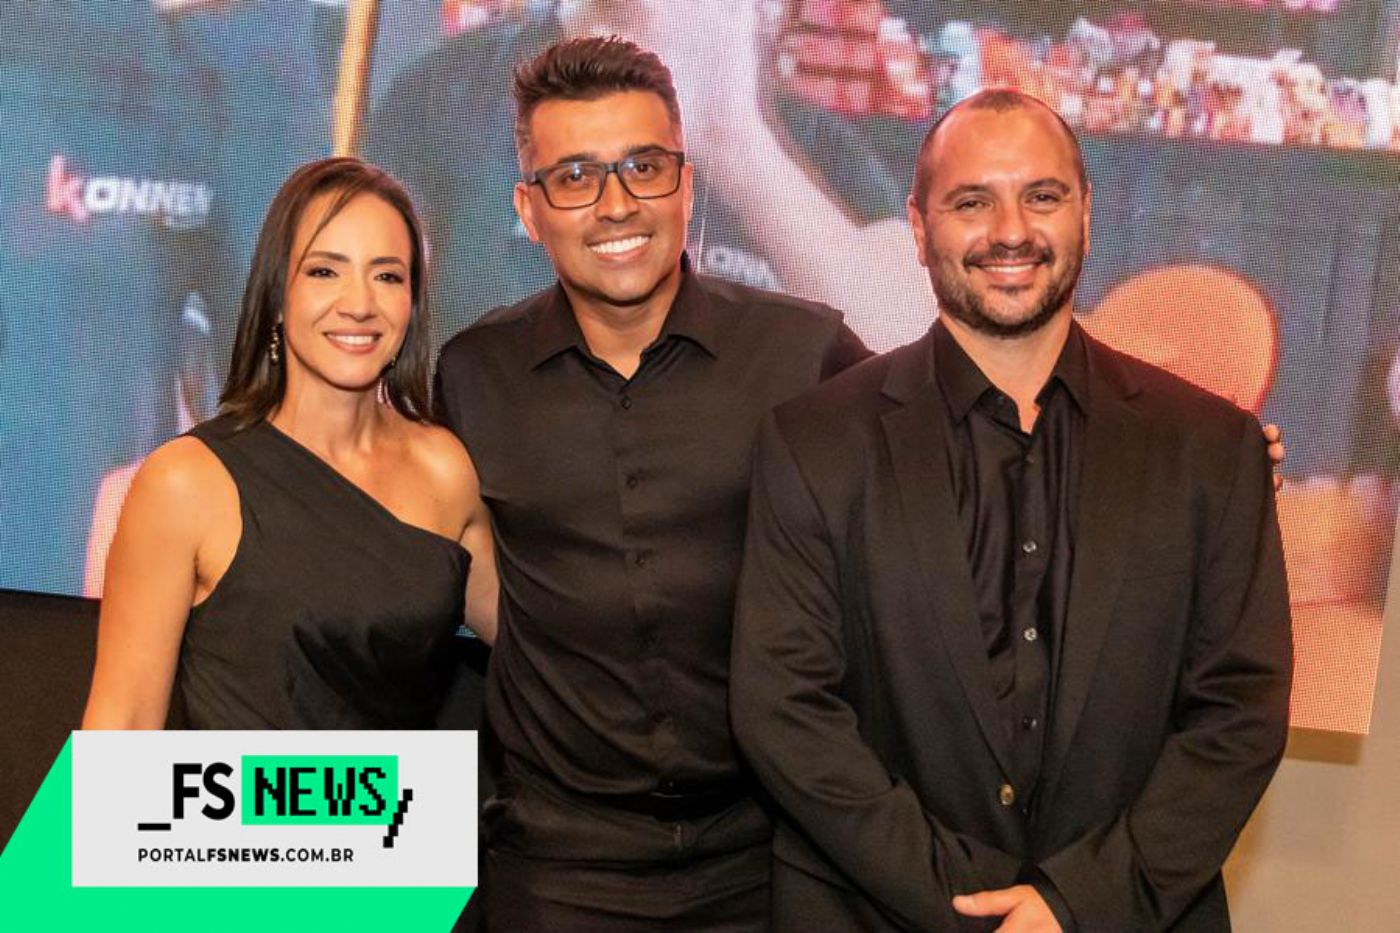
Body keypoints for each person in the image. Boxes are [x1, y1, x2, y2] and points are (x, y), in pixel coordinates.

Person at [729, 88, 1293, 932]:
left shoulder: (1211, 447)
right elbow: (786, 710)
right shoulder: (814, 442)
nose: (1011, 231)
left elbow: (1239, 712)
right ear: (918, 228)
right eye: (971, 202)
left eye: (1042, 196)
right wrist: (976, 910)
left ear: (1086, 214)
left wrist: (1079, 903)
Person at [432, 36, 870, 931]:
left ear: (686, 184)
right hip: (557, 866)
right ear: (528, 209)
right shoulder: (473, 374)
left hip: (771, 857)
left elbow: (941, 511)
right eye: (575, 177)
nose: (616, 204)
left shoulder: (807, 353)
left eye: (643, 167)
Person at [82, 157, 498, 731]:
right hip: (236, 793)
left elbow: (543, 652)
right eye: (325, 271)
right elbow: (123, 723)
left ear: (412, 302)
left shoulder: (444, 469)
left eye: (387, 276)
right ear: (277, 295)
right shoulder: (186, 481)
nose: (359, 303)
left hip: (399, 794)